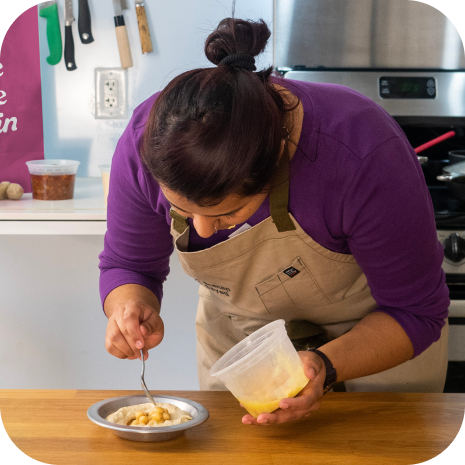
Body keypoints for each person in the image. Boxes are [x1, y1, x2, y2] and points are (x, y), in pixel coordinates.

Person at [99, 18, 450, 426]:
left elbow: (416, 311)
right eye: (182, 210)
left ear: (279, 158)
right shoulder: (150, 140)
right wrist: (129, 306)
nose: (201, 231)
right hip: (242, 348)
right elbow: (130, 265)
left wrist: (323, 365)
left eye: (225, 213)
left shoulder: (361, 149)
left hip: (379, 346)